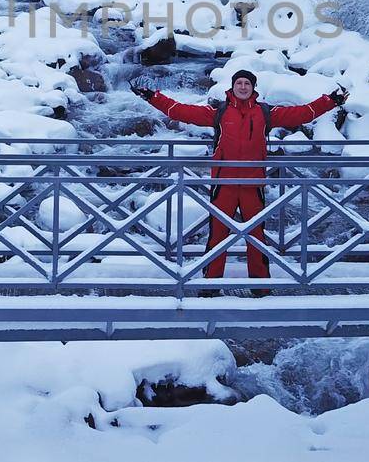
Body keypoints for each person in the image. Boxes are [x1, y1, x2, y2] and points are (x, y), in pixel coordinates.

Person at [133, 70, 347, 295]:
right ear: (233, 87)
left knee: (256, 236)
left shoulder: (265, 113)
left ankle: (261, 286)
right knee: (217, 235)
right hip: (223, 184)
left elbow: (302, 114)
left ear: (253, 88)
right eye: (239, 83)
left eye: (247, 83)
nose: (243, 87)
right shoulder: (219, 112)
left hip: (253, 185)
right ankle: (210, 285)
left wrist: (331, 101)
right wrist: (151, 96)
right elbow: (181, 111)